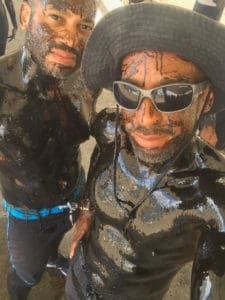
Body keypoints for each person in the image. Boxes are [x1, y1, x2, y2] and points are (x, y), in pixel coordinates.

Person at [66, 2, 225, 300]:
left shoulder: (213, 199)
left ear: (206, 100)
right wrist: (87, 208)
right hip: (77, 282)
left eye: (172, 94)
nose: (145, 117)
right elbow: (101, 156)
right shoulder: (110, 129)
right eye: (129, 92)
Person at [0, 0, 97, 299]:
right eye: (56, 17)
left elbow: (100, 142)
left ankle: (53, 256)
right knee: (27, 275)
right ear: (27, 14)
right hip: (28, 215)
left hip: (75, 194)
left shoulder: (84, 80)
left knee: (54, 250)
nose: (70, 39)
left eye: (84, 26)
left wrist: (88, 204)